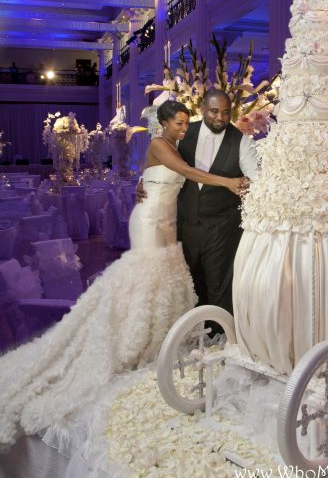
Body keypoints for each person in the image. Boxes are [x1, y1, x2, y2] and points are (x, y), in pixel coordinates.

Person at [0, 101, 245, 449]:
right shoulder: (160, 144)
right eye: (177, 123)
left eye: (184, 124)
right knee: (144, 277)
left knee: (167, 279)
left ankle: (155, 341)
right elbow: (190, 174)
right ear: (162, 124)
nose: (182, 129)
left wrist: (142, 182)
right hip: (147, 221)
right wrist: (230, 182)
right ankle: (126, 338)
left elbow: (175, 180)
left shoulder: (178, 145)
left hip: (169, 222)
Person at [139, 89, 258, 315]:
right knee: (187, 285)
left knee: (218, 288)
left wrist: (245, 185)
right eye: (214, 111)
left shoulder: (241, 142)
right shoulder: (183, 133)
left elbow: (254, 180)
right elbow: (161, 161)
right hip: (183, 225)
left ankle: (218, 339)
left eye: (225, 112)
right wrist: (143, 181)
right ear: (203, 108)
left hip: (222, 228)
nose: (220, 118)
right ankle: (191, 335)